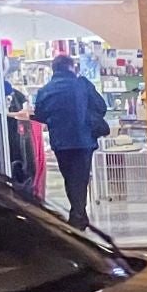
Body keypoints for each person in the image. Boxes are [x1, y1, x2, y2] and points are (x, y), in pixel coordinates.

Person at [32, 53, 110, 230]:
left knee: (69, 177)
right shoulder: (82, 84)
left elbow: (40, 115)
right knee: (80, 178)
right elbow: (101, 107)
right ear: (71, 67)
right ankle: (78, 215)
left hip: (61, 141)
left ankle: (78, 215)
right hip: (83, 140)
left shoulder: (45, 90)